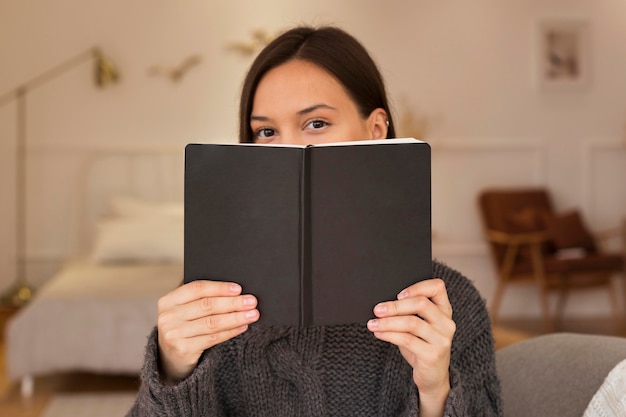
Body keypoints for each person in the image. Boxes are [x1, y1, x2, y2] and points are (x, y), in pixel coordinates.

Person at [128, 26, 503, 417]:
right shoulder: (211, 304)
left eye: (316, 124)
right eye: (267, 131)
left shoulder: (450, 306)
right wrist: (172, 372)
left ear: (375, 131)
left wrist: (435, 393)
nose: (290, 149)